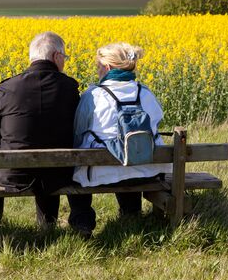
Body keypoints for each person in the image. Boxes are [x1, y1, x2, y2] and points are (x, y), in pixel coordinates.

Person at [0, 31, 90, 230]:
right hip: (60, 172)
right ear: (57, 56)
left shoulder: (9, 87)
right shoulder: (69, 88)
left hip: (14, 172)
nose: (64, 62)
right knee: (50, 165)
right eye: (64, 58)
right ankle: (47, 225)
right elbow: (78, 129)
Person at [68, 42, 172, 234]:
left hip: (101, 175)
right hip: (145, 171)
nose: (97, 70)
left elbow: (78, 131)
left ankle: (82, 223)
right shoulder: (146, 93)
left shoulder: (94, 95)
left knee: (79, 164)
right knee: (129, 160)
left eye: (98, 66)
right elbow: (156, 123)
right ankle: (131, 216)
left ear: (107, 68)